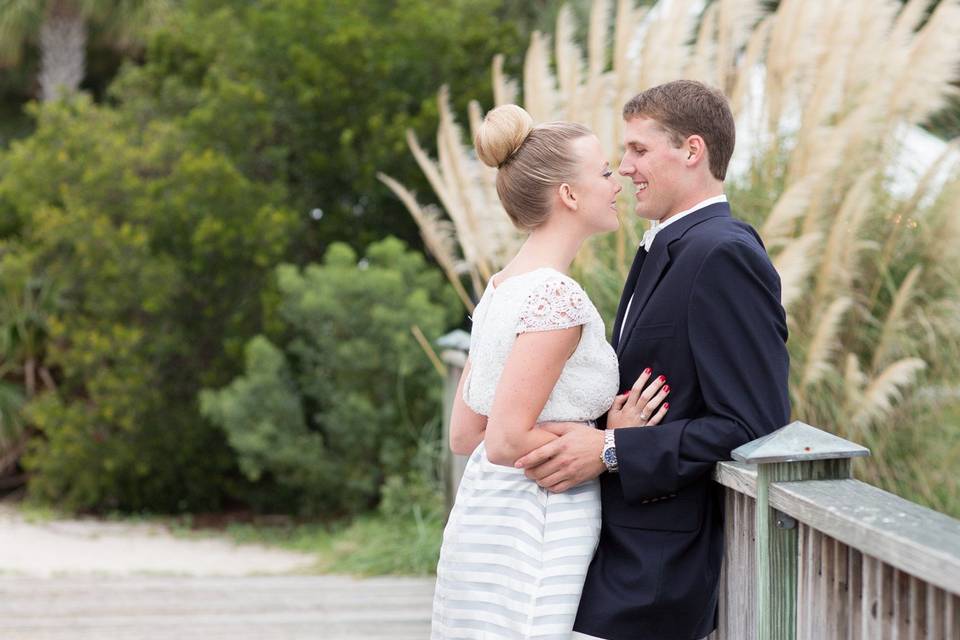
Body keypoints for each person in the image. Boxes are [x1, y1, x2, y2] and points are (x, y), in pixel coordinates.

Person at [514, 80, 791, 640]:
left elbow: (755, 423)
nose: (624, 167)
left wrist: (613, 449)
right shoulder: (670, 246)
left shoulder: (724, 253)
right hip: (615, 552)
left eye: (639, 150)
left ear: (692, 150)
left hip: (656, 574)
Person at [431, 104, 670, 639]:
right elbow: (503, 438)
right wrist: (610, 440)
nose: (617, 183)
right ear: (568, 194)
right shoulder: (555, 299)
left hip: (486, 512)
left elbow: (464, 433)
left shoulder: (502, 288)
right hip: (538, 522)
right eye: (605, 172)